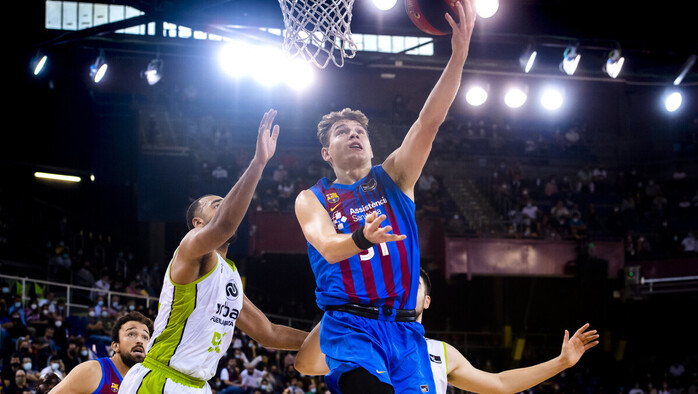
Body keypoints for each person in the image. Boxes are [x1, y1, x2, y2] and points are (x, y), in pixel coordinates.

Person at [293, 2, 476, 391]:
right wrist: (362, 238)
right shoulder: (313, 197)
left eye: (359, 131)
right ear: (326, 152)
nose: (354, 134)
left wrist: (458, 58)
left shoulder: (394, 176)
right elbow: (327, 246)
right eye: (342, 131)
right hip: (351, 324)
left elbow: (429, 121)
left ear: (372, 147)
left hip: (405, 328)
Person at [119, 109, 308, 393]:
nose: (225, 208)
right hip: (160, 379)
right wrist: (258, 164)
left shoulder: (230, 276)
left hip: (199, 385)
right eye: (216, 205)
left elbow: (269, 333)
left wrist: (327, 338)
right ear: (197, 223)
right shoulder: (191, 247)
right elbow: (225, 224)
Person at [294, 269, 600, 394]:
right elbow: (306, 365)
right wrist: (342, 308)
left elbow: (502, 383)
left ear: (427, 301)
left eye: (413, 286)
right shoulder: (361, 342)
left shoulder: (440, 352)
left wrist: (560, 363)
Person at [48, 311, 154, 393]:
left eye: (145, 337)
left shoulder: (147, 384)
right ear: (115, 346)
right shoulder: (92, 371)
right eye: (131, 334)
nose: (140, 341)